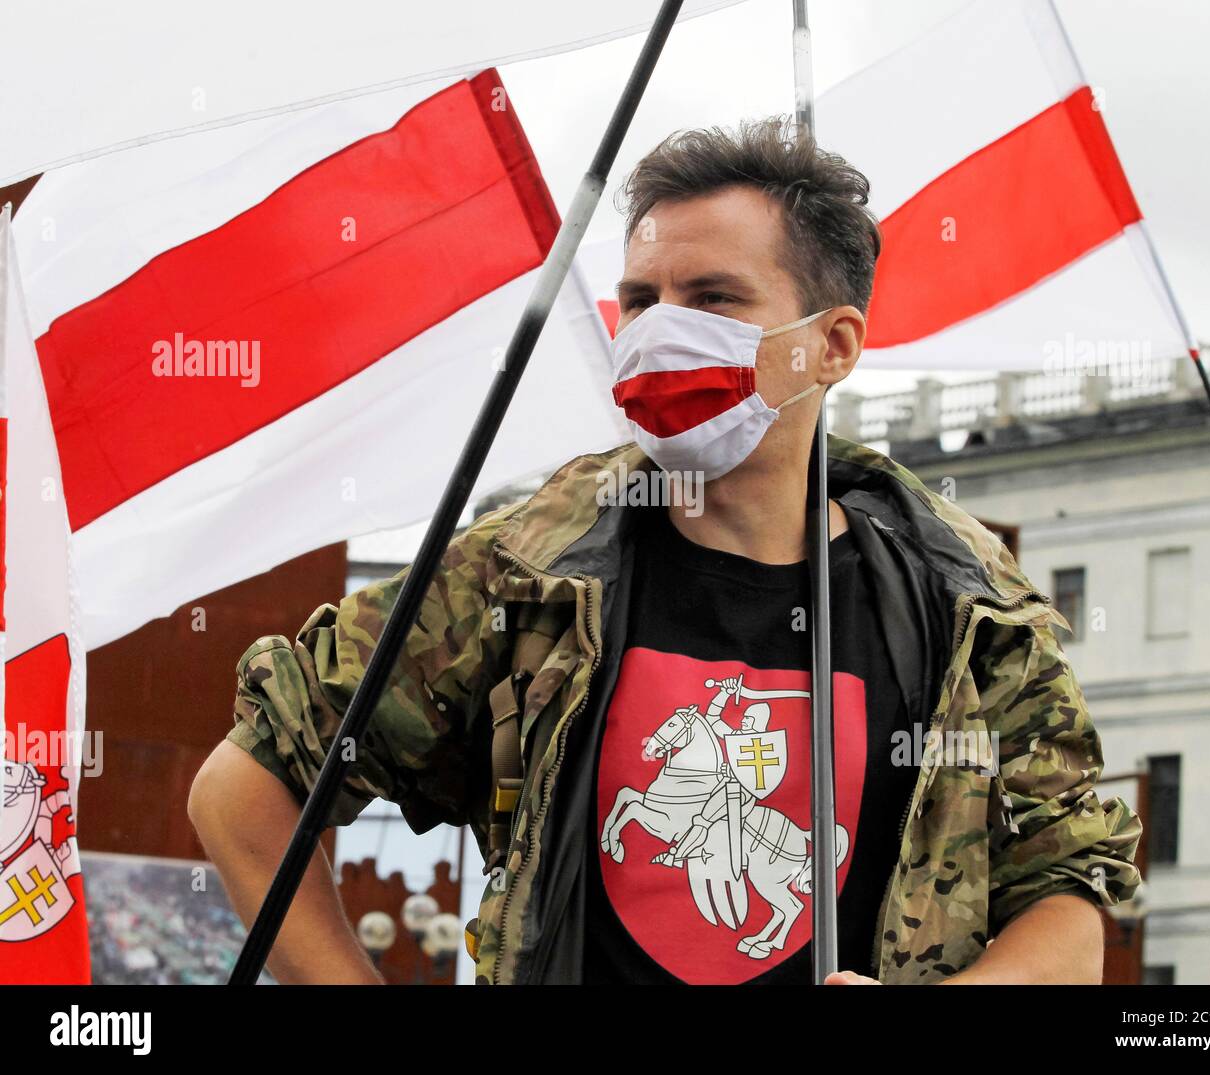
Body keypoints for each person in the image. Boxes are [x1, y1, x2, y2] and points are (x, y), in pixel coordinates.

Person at [188, 116, 1142, 986]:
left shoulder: (963, 608)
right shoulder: (521, 573)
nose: (656, 333)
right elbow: (247, 786)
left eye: (712, 297)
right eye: (639, 299)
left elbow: (1066, 898)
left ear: (834, 344)